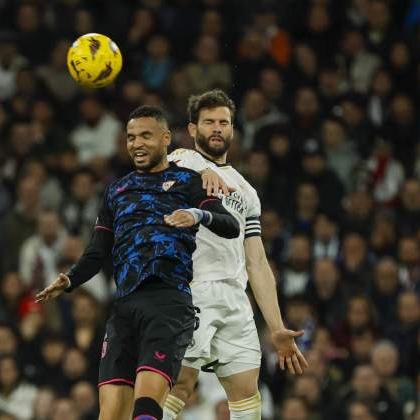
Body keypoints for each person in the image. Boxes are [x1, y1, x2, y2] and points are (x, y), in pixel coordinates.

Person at [35, 105, 240, 420]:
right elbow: (98, 250)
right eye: (131, 137)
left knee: (146, 406)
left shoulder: (190, 181)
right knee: (112, 414)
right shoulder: (117, 191)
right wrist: (71, 279)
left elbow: (230, 225)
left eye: (146, 135)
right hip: (125, 307)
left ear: (165, 138)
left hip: (168, 303)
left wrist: (197, 214)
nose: (137, 144)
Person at [163, 89, 308, 420]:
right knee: (180, 382)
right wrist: (200, 171)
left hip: (234, 297)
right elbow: (167, 169)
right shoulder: (180, 161)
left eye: (224, 122)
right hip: (191, 288)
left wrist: (276, 327)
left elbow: (256, 261)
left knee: (246, 391)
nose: (217, 128)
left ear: (232, 130)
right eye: (209, 122)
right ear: (192, 129)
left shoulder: (247, 191)